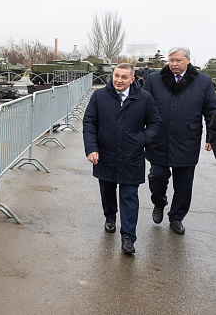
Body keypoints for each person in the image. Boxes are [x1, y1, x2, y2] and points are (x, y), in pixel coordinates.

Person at [83, 63, 161, 254]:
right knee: (107, 190)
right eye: (116, 75)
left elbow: (155, 123)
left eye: (124, 77)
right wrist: (91, 148)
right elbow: (89, 122)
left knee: (129, 197)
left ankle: (128, 237)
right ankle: (110, 216)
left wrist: (142, 139)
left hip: (131, 156)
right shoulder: (99, 96)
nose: (118, 80)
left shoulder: (144, 98)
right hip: (106, 154)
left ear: (132, 79)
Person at [142, 46, 216, 235]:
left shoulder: (203, 82)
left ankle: (176, 217)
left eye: (178, 60)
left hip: (187, 140)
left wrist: (211, 136)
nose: (174, 64)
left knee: (184, 184)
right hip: (158, 138)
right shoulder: (154, 80)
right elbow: (142, 107)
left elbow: (211, 111)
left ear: (188, 60)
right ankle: (159, 203)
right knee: (157, 177)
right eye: (171, 60)